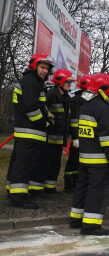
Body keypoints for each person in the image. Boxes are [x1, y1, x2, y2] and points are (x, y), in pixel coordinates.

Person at [69, 73, 109, 236]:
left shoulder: (86, 107)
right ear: (104, 90)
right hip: (99, 160)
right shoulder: (103, 110)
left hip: (84, 158)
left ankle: (76, 219)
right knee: (97, 191)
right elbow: (108, 139)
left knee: (82, 188)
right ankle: (90, 226)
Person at [7, 53, 54, 209]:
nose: (44, 71)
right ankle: (19, 198)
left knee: (18, 164)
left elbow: (38, 105)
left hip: (26, 131)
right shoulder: (31, 82)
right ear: (34, 66)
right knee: (24, 166)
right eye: (42, 67)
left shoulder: (34, 82)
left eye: (47, 68)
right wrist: (45, 123)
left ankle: (13, 192)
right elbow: (32, 109)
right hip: (30, 131)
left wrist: (47, 114)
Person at [36, 68, 74, 193]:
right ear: (60, 82)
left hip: (59, 138)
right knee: (44, 164)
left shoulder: (67, 98)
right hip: (49, 137)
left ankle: (50, 187)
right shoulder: (51, 94)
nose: (69, 84)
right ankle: (37, 188)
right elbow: (43, 111)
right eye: (67, 82)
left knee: (55, 165)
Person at [63, 75, 91, 193]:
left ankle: (77, 183)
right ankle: (69, 185)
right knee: (73, 161)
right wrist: (75, 137)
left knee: (81, 162)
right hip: (78, 137)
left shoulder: (87, 100)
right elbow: (74, 121)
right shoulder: (76, 100)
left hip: (86, 136)